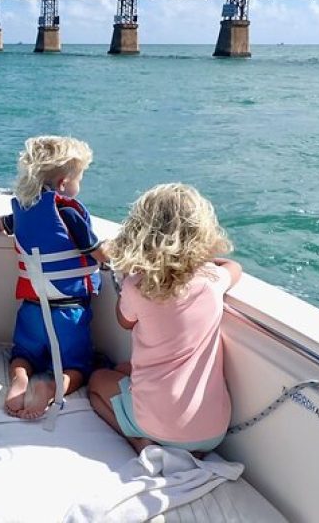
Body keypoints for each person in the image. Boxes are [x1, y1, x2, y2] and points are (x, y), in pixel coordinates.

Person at [88, 183, 242, 455]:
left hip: (156, 426)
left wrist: (127, 279)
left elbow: (124, 322)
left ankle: (139, 442)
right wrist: (204, 263)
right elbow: (234, 267)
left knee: (97, 382)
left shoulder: (138, 286)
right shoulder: (212, 282)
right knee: (125, 368)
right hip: (213, 432)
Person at [0, 136, 108, 419]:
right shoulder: (68, 210)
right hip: (69, 313)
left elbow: (3, 224)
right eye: (79, 178)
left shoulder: (21, 210)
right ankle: (53, 386)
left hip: (32, 310)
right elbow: (98, 254)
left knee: (22, 354)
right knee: (80, 367)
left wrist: (0, 223)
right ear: (62, 184)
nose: (78, 185)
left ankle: (20, 378)